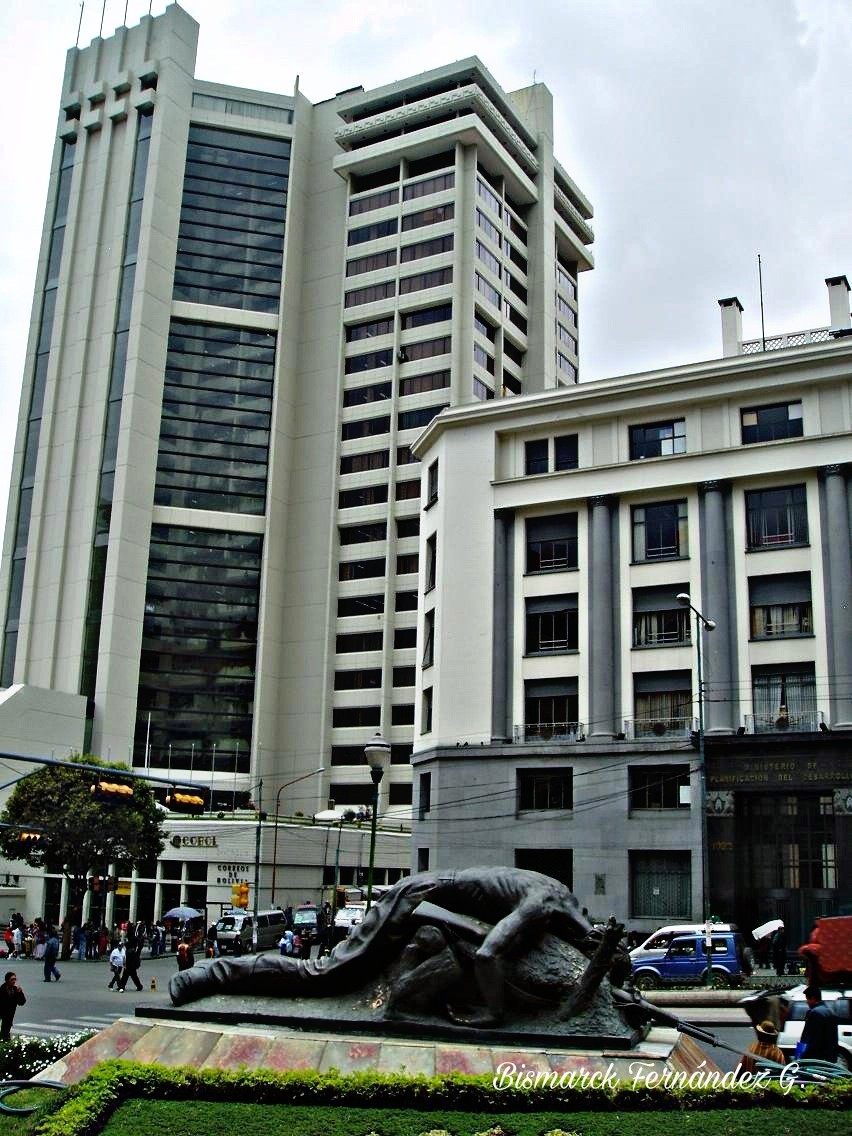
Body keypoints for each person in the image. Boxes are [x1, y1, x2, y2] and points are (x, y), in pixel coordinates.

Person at [170, 867, 608, 1027]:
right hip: (413, 897)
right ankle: (213, 974)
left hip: (431, 899)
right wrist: (494, 1012)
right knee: (326, 974)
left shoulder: (563, 896)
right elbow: (489, 954)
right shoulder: (542, 907)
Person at [799, 985, 839, 1063]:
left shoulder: (814, 1013)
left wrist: (801, 1057)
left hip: (815, 1058)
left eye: (807, 999)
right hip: (829, 1058)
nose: (807, 1002)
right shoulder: (831, 1012)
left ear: (813, 998)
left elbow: (810, 1039)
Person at [118, 921, 144, 992]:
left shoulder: (131, 936)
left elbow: (131, 943)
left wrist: (127, 943)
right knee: (131, 973)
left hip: (131, 954)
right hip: (131, 954)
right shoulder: (132, 935)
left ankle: (122, 986)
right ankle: (124, 985)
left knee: (128, 972)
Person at [0, 973, 26, 1040]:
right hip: (2, 1017)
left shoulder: (15, 989)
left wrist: (20, 993)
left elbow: (21, 1002)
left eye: (15, 979)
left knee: (5, 1034)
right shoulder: (1, 990)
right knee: (5, 1035)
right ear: (7, 980)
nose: (14, 981)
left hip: (10, 1017)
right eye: (12, 979)